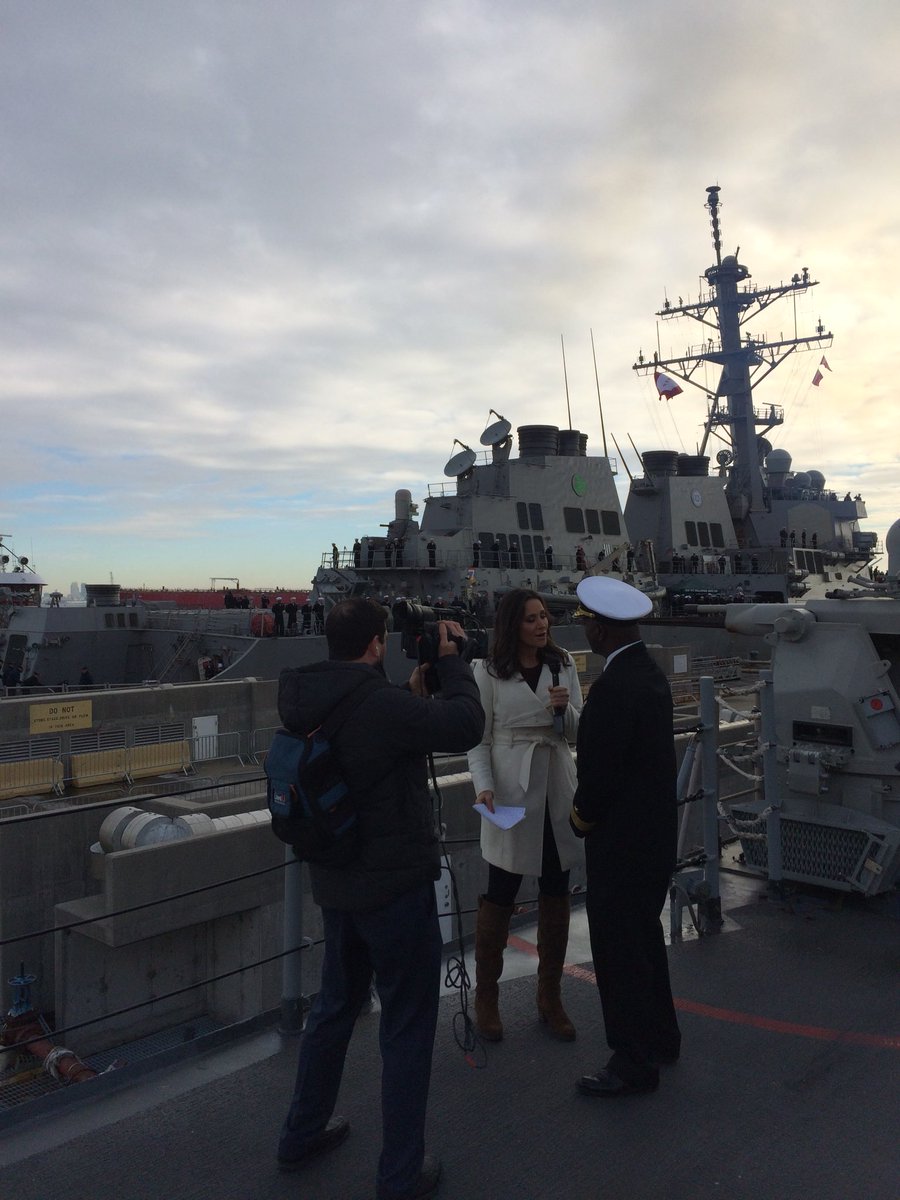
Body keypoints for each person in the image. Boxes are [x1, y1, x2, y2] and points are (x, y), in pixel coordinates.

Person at [275, 598, 484, 1200]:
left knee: (333, 1010)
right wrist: (452, 663)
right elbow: (466, 725)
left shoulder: (306, 696)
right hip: (394, 889)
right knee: (407, 1025)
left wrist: (411, 693)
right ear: (375, 644)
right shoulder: (382, 705)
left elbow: (374, 735)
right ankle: (399, 1175)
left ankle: (300, 1134)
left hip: (337, 885)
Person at [569, 576, 680, 1097]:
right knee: (643, 939)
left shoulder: (614, 687)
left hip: (620, 842)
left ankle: (633, 1061)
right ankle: (662, 1036)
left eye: (587, 621)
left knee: (617, 949)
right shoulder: (649, 675)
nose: (585, 628)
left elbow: (599, 775)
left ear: (601, 628)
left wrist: (580, 819)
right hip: (654, 837)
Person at [467, 589, 584, 1043]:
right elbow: (478, 739)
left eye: (544, 618)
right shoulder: (489, 672)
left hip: (556, 783)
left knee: (557, 888)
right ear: (513, 624)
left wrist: (563, 710)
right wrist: (484, 786)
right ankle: (487, 997)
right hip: (511, 790)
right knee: (501, 891)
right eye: (532, 619)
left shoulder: (564, 664)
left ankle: (550, 995)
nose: (542, 625)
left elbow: (577, 728)